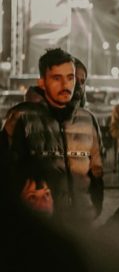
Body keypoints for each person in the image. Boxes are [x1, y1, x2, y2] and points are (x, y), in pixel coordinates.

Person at [0, 47, 104, 225]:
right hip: (38, 227)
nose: (66, 86)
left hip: (81, 227)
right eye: (57, 78)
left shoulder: (88, 120)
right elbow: (6, 172)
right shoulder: (21, 118)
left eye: (70, 78)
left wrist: (92, 209)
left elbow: (96, 173)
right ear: (42, 82)